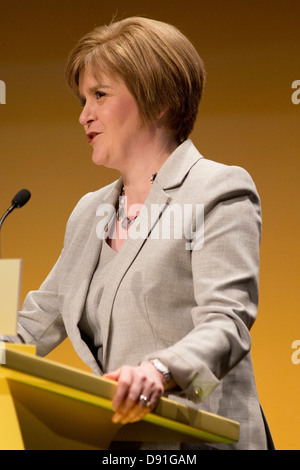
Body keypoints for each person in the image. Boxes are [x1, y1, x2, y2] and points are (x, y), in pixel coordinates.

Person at [1, 17, 273, 450]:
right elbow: (31, 328)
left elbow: (227, 324)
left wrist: (158, 372)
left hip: (202, 440)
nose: (83, 115)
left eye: (100, 95)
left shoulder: (216, 190)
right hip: (121, 444)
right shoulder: (89, 211)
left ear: (159, 100)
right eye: (83, 98)